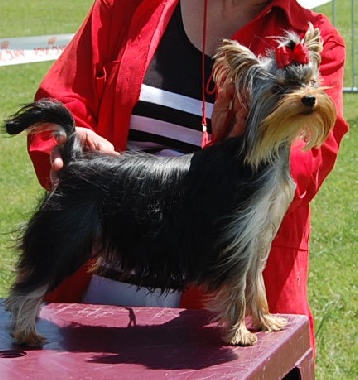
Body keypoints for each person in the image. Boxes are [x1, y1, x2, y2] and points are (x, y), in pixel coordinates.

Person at [26, 0, 348, 350]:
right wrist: (64, 146)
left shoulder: (318, 38)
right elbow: (63, 99)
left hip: (225, 315)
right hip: (100, 277)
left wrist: (233, 159)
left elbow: (309, 156)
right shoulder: (125, 7)